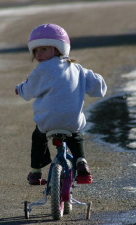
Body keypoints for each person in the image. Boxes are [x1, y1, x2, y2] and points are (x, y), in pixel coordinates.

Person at [15, 24, 107, 185]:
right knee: (75, 136)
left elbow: (28, 90)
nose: (39, 54)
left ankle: (36, 172)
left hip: (47, 122)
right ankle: (81, 162)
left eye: (43, 49)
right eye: (36, 51)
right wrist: (100, 82)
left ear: (58, 49)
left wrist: (19, 89)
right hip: (72, 121)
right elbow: (97, 86)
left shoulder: (42, 70)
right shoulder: (77, 69)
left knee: (38, 137)